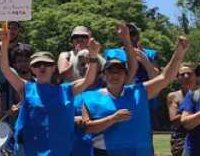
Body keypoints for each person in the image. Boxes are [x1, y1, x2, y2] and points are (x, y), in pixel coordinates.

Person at [80, 25, 188, 156]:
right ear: (103, 75)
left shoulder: (139, 92)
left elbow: (165, 77)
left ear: (126, 75)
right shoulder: (90, 97)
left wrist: (179, 53)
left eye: (119, 71)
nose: (115, 75)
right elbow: (87, 127)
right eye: (110, 71)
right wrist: (112, 119)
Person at [0, 26, 99, 156]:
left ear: (53, 68)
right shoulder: (26, 88)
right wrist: (4, 43)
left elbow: (88, 80)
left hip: (60, 151)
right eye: (37, 64)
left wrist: (93, 56)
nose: (42, 67)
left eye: (46, 64)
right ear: (32, 69)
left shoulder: (67, 89)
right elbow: (5, 69)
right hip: (30, 151)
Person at [165, 64, 196, 156]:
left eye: (189, 73)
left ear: (195, 76)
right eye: (182, 75)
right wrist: (191, 107)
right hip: (181, 138)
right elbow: (174, 120)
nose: (186, 76)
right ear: (177, 78)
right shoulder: (173, 96)